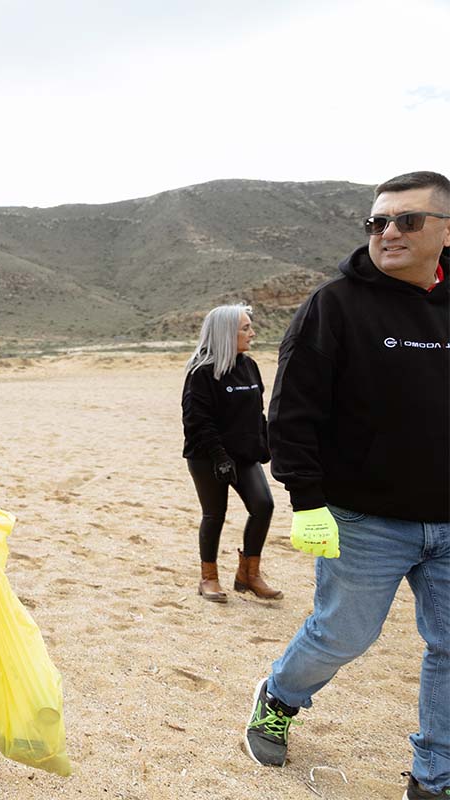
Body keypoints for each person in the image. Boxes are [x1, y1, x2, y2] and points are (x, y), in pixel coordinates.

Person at [242, 171, 450, 800]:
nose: (387, 232)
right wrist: (306, 501)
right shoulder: (335, 304)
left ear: (445, 231)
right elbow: (293, 412)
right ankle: (279, 696)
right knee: (344, 635)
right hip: (364, 518)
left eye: (407, 221)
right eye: (377, 222)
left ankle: (434, 777)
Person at [181, 304, 279, 602]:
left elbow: (256, 412)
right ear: (226, 333)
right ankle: (208, 578)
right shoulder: (201, 373)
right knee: (215, 514)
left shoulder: (249, 365)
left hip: (243, 454)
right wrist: (220, 457)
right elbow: (198, 422)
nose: (253, 333)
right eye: (245, 328)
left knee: (263, 505)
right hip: (207, 455)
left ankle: (249, 574)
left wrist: (263, 444)